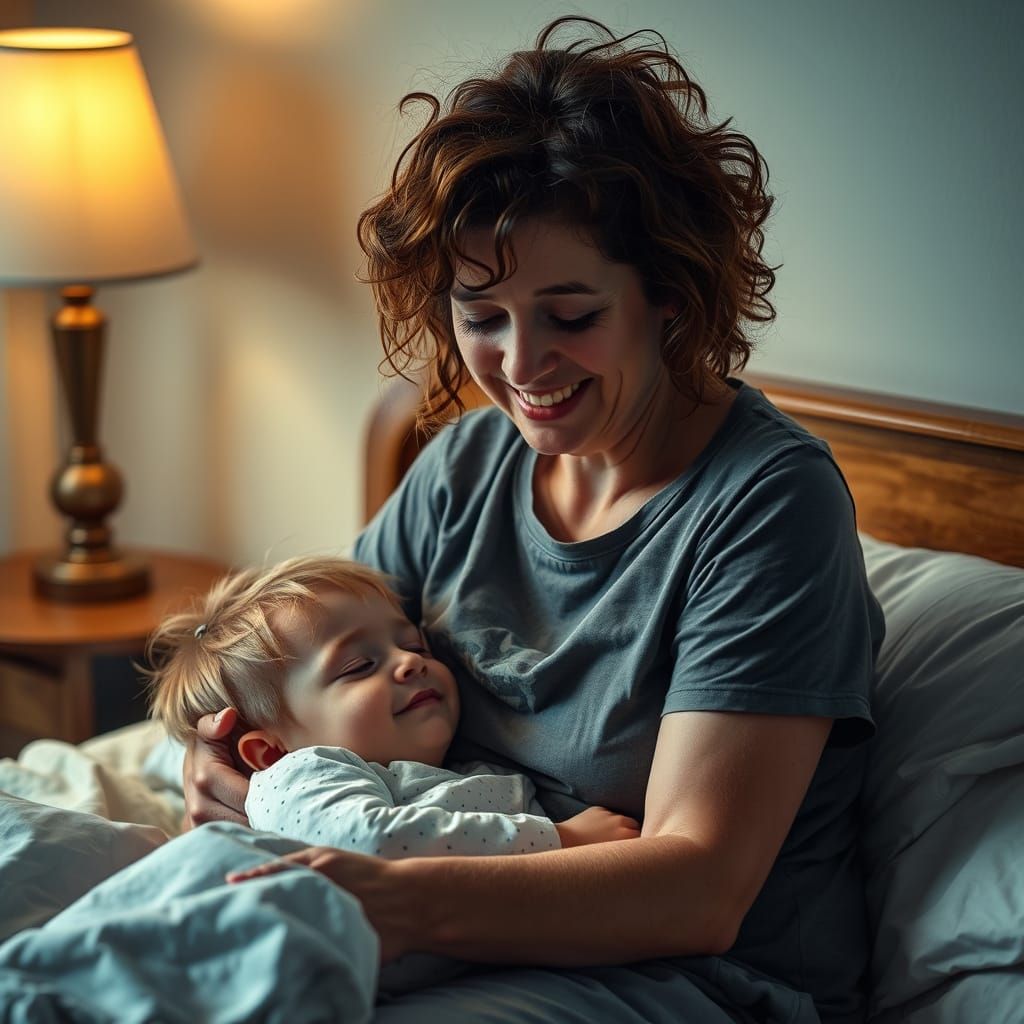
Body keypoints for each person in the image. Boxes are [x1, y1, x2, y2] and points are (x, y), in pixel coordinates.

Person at [188, 16, 885, 1024]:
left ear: (669, 298)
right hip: (435, 931)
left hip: (677, 978)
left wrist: (396, 900)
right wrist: (214, 761)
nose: (520, 368)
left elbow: (698, 887)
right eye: (481, 317)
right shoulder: (465, 466)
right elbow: (299, 677)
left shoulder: (764, 506)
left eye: (570, 316)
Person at [145, 555, 639, 862]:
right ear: (269, 752)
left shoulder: (452, 774)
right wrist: (562, 840)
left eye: (416, 646)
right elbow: (373, 844)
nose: (408, 663)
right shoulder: (301, 779)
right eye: (360, 665)